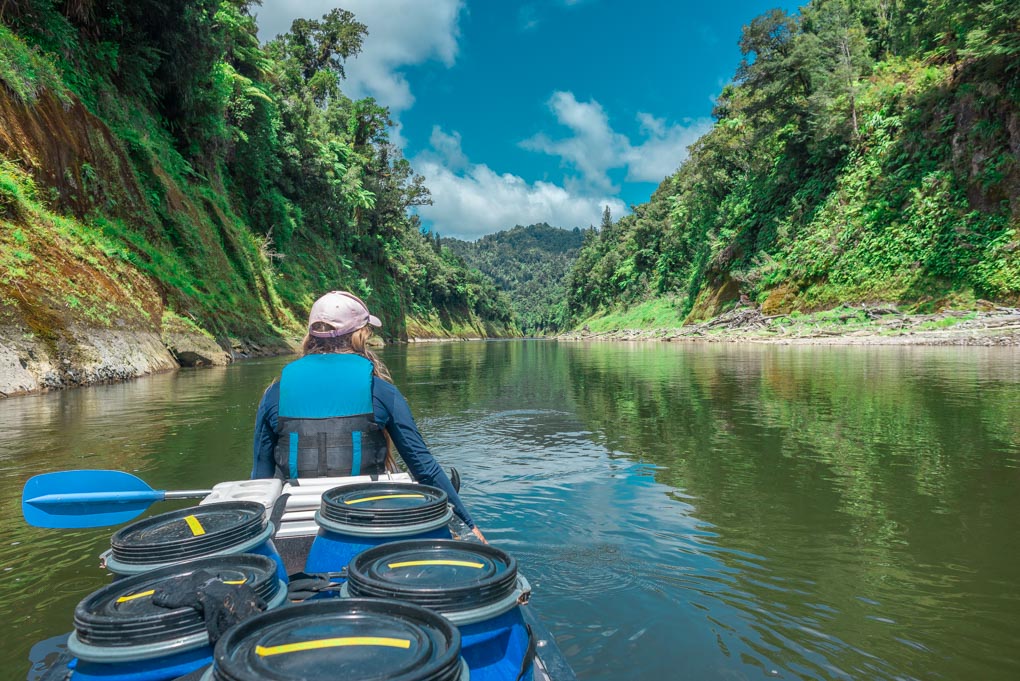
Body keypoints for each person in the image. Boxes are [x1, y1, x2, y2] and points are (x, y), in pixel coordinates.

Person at [252, 291, 486, 542]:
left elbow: (261, 479)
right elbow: (424, 468)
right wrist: (468, 524)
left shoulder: (275, 394)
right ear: (358, 336)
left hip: (292, 525)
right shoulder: (381, 391)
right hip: (366, 522)